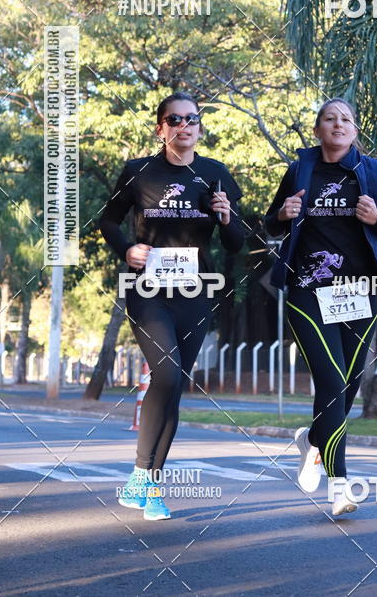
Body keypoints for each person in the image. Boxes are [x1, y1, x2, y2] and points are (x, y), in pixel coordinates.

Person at [99, 92, 244, 521]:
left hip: (195, 289)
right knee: (164, 372)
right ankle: (143, 474)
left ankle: (150, 484)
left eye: (192, 119)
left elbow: (236, 243)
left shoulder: (215, 174)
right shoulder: (138, 171)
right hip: (148, 289)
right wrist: (128, 249)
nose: (185, 126)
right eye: (175, 119)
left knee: (174, 385)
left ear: (199, 128)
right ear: (161, 128)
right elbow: (107, 221)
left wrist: (225, 216)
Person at [264, 98, 377, 516]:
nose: (338, 123)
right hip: (308, 289)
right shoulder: (300, 170)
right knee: (330, 384)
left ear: (355, 130)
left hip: (360, 290)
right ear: (318, 130)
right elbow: (270, 222)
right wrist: (282, 213)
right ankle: (341, 485)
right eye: (330, 118)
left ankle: (312, 441)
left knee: (346, 388)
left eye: (346, 118)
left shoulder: (374, 172)